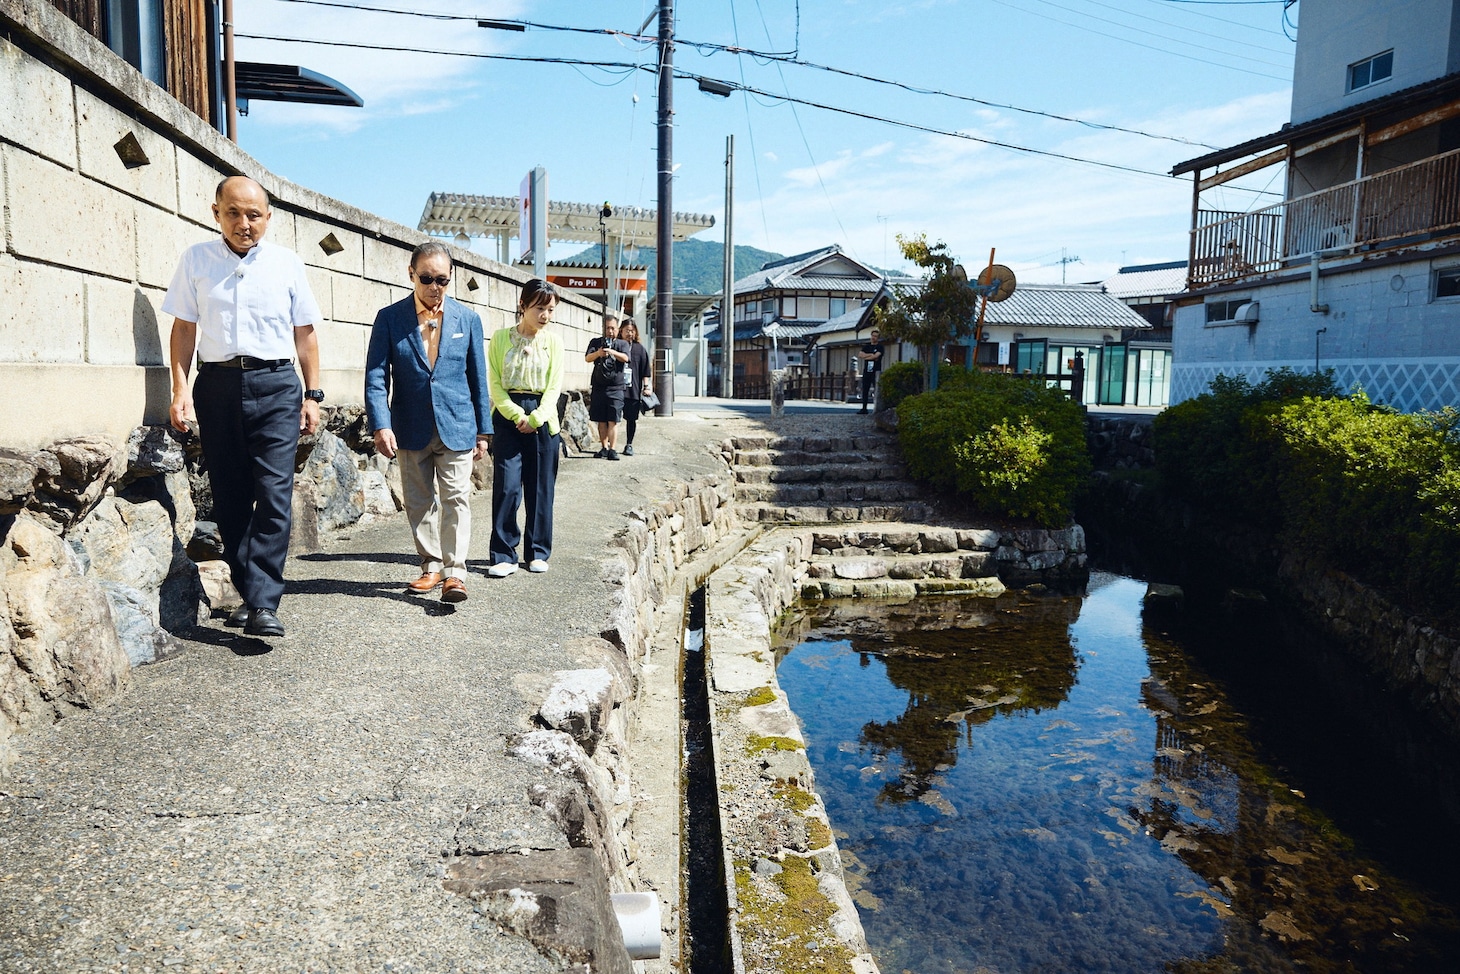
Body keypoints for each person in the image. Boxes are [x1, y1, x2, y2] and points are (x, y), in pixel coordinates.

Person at [163, 175, 323, 638]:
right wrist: (180, 389)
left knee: (274, 494)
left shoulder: (287, 264)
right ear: (216, 214)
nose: (244, 223)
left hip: (276, 386)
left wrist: (313, 394)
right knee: (230, 499)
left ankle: (264, 602)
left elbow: (305, 335)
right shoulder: (196, 260)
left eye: (254, 214)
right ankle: (251, 593)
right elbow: (184, 331)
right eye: (233, 212)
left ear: (268, 218)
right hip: (216, 387)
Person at [364, 242, 490, 604]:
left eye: (443, 280)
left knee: (456, 499)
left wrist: (483, 430)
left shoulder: (467, 319)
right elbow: (376, 376)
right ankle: (431, 565)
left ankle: (454, 574)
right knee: (419, 501)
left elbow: (477, 377)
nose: (435, 287)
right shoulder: (390, 318)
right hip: (410, 423)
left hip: (457, 423)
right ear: (411, 274)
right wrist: (380, 423)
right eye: (427, 278)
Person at [485, 279, 565, 577]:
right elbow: (494, 382)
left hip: (543, 419)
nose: (545, 315)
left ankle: (538, 551)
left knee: (540, 488)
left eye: (550, 309)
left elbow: (555, 386)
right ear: (523, 305)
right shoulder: (500, 338)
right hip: (508, 416)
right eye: (539, 308)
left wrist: (536, 418)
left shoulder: (553, 342)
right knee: (506, 487)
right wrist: (516, 413)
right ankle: (503, 553)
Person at [585, 311, 631, 460]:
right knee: (601, 419)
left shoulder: (622, 344)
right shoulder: (595, 342)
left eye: (613, 328)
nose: (610, 331)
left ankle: (613, 449)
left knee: (613, 419)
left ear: (617, 329)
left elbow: (625, 358)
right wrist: (599, 353)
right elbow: (587, 358)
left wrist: (611, 351)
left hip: (616, 387)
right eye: (607, 328)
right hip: (598, 386)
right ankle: (603, 447)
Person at [618, 320, 652, 457]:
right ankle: (609, 444)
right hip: (616, 388)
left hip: (633, 390)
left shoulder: (640, 349)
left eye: (632, 331)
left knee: (631, 419)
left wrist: (646, 387)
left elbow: (646, 371)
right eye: (627, 330)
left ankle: (629, 444)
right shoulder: (616, 345)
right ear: (621, 331)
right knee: (612, 418)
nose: (629, 333)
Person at [857, 329, 884, 414]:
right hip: (867, 371)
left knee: (877, 390)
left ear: (878, 338)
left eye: (875, 336)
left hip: (876, 372)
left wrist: (868, 356)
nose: (873, 338)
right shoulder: (866, 346)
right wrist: (870, 355)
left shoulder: (880, 347)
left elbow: (876, 356)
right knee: (865, 389)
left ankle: (876, 408)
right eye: (872, 336)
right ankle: (864, 408)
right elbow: (860, 355)